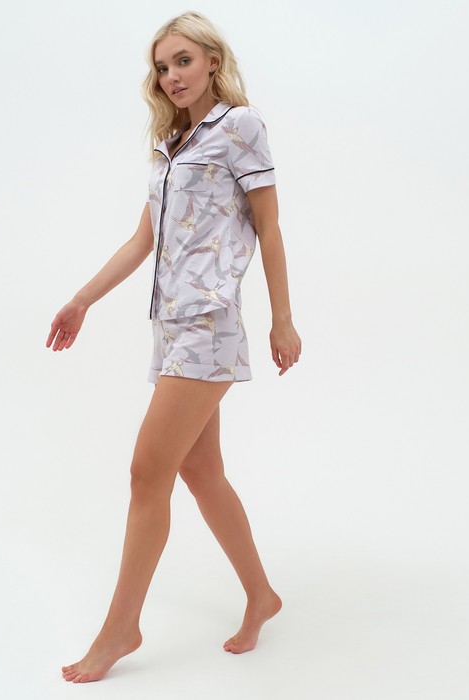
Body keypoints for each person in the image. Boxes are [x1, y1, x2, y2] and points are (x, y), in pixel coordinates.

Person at [46, 11, 302, 683]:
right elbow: (144, 240)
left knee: (147, 471)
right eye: (162, 67)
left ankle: (120, 628)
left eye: (183, 60)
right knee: (200, 471)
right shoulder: (171, 143)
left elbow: (270, 229)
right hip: (168, 325)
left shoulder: (240, 127)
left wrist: (282, 319)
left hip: (209, 324)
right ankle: (262, 596)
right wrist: (81, 300)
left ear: (213, 60)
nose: (172, 75)